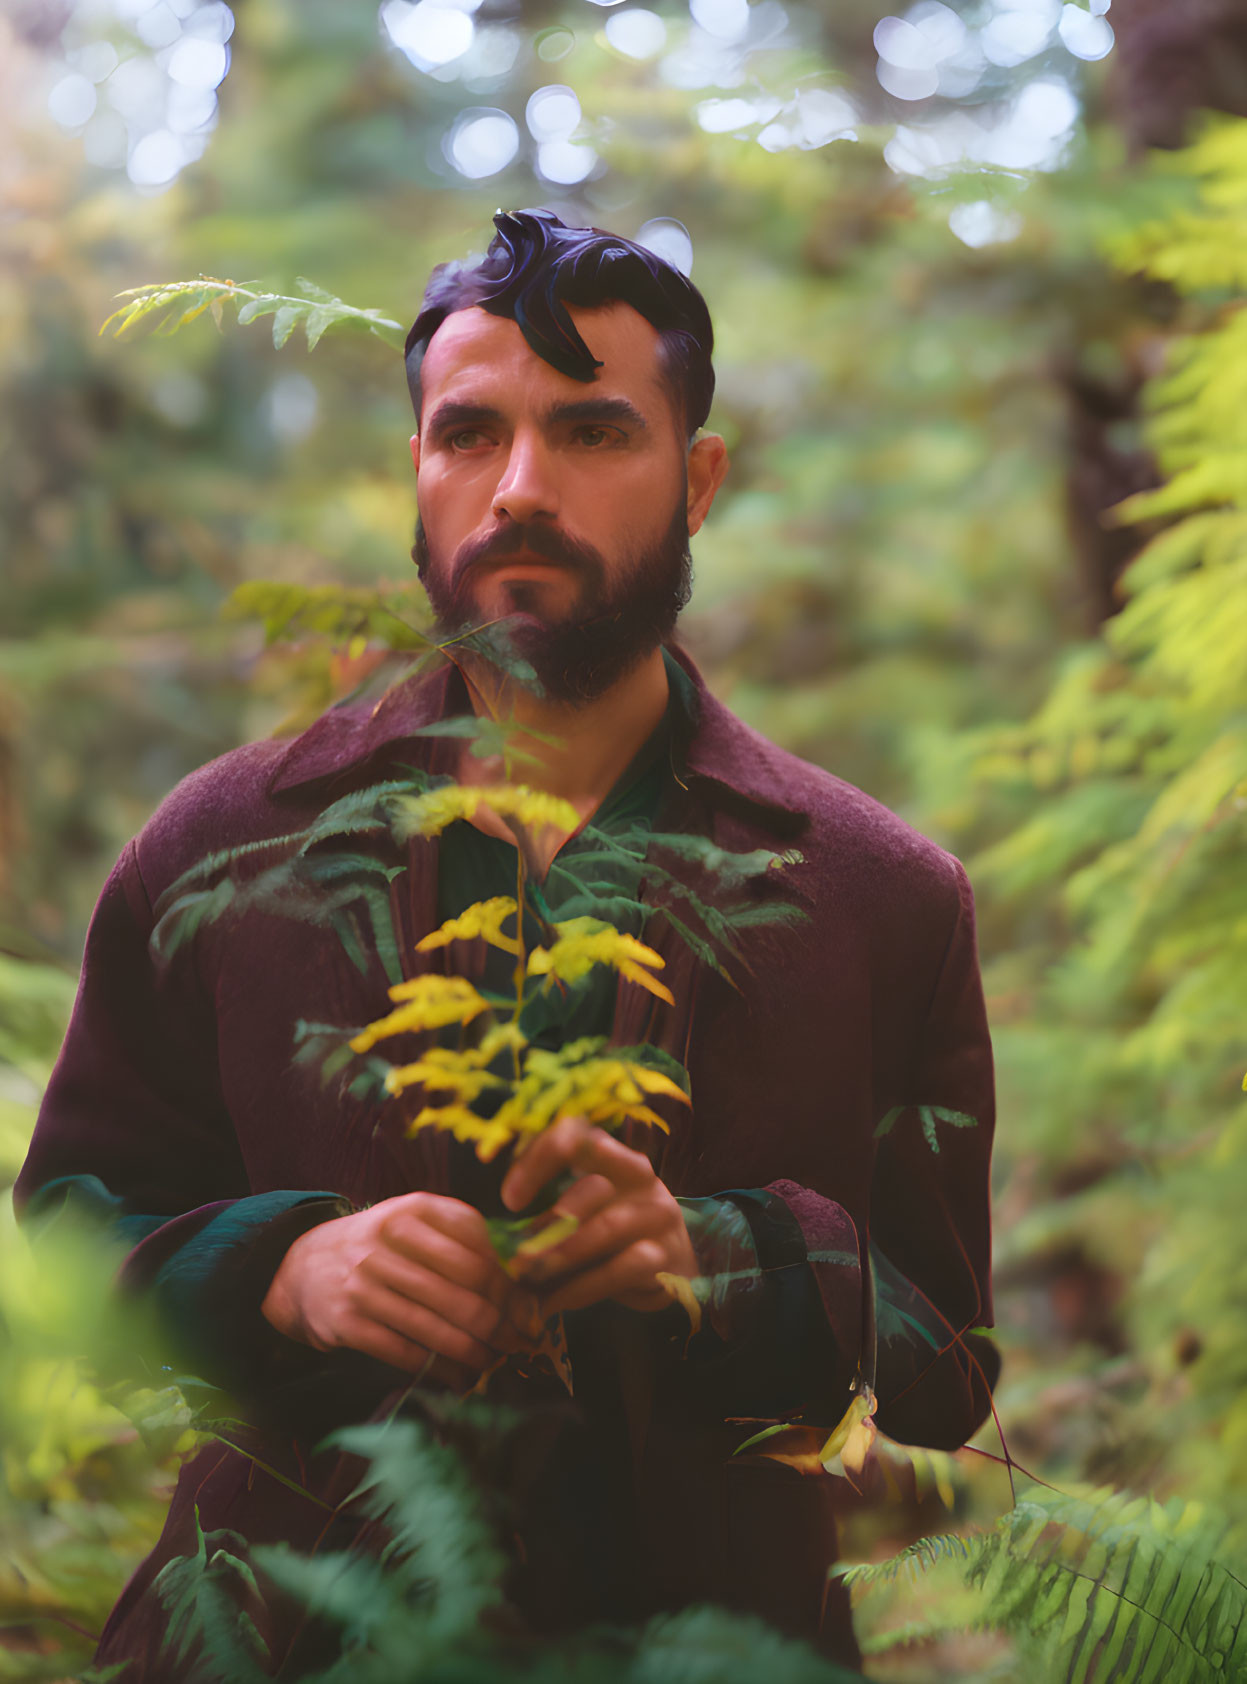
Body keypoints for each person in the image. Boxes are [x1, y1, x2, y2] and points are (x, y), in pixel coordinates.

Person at [16, 209, 999, 1678]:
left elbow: (946, 1369)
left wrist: (713, 1257)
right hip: (273, 1640)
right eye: (468, 434)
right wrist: (281, 1271)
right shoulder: (222, 847)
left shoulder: (882, 896)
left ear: (699, 478)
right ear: (415, 472)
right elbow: (61, 1244)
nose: (520, 489)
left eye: (595, 433)